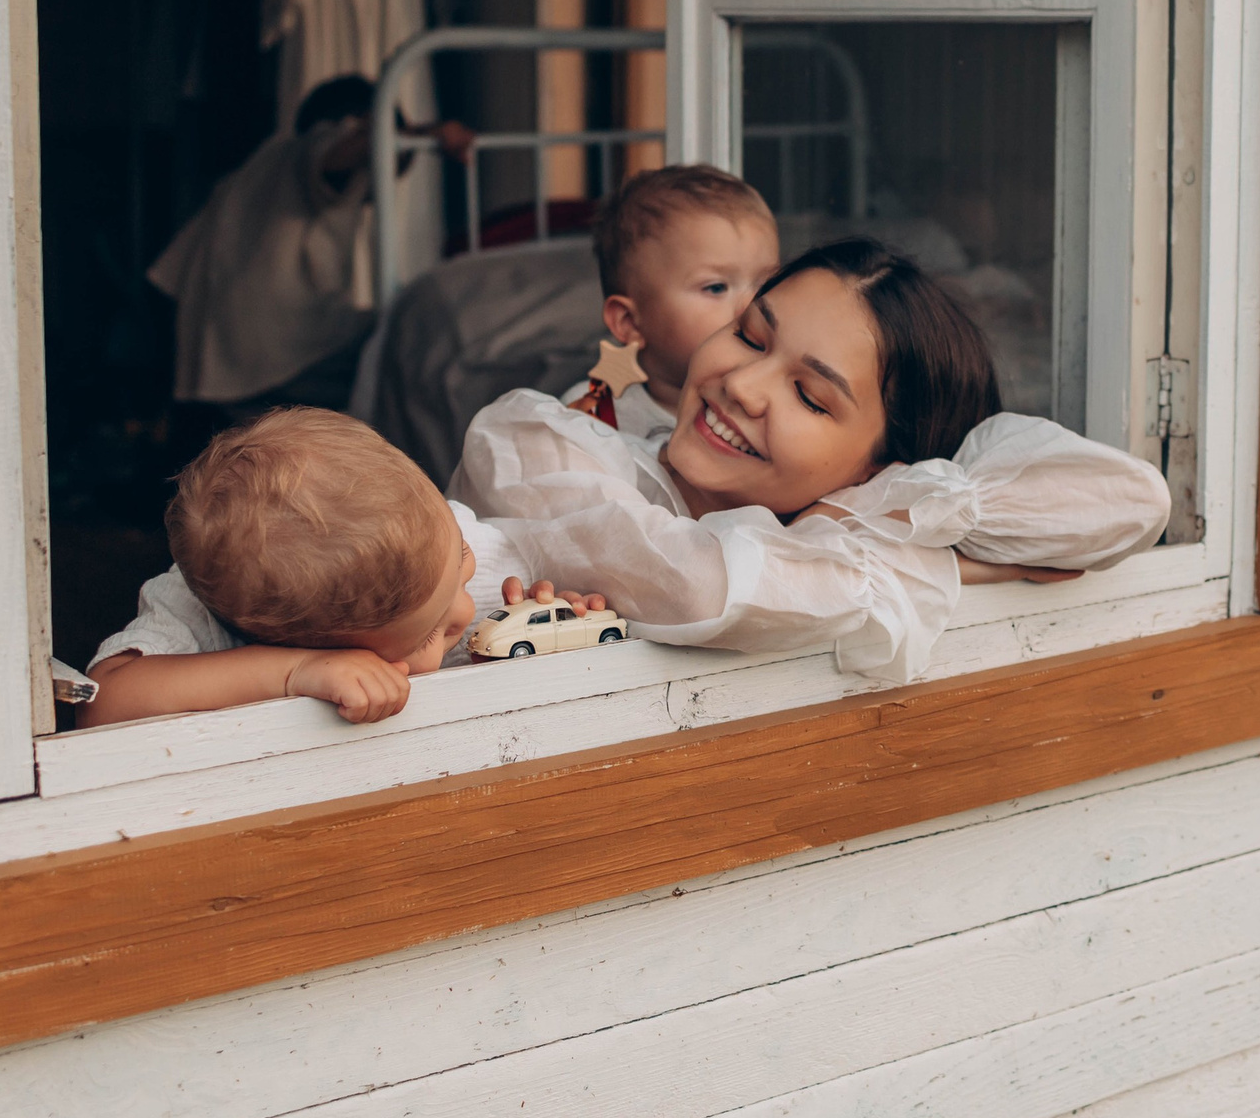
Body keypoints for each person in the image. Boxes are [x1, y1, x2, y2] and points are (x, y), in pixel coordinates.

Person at [452, 238, 1171, 686]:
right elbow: (699, 584)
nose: (741, 384)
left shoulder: (842, 532)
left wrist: (884, 513)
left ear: (876, 469)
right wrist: (940, 559)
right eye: (750, 334)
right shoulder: (541, 440)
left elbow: (1130, 498)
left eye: (809, 395)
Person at [79, 407, 500, 726]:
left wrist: (537, 614)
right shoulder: (198, 611)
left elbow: (532, 554)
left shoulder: (433, 528)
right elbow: (101, 703)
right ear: (309, 644)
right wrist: (295, 672)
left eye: (463, 559)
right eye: (427, 635)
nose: (464, 612)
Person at [149, 74, 473, 411]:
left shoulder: (255, 170)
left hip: (223, 359)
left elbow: (170, 275)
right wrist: (428, 133)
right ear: (361, 121)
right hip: (283, 350)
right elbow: (341, 152)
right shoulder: (322, 144)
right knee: (414, 339)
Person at [558, 164, 783, 445]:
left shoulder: (778, 408)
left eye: (766, 285)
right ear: (629, 323)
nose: (753, 306)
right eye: (716, 287)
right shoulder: (594, 415)